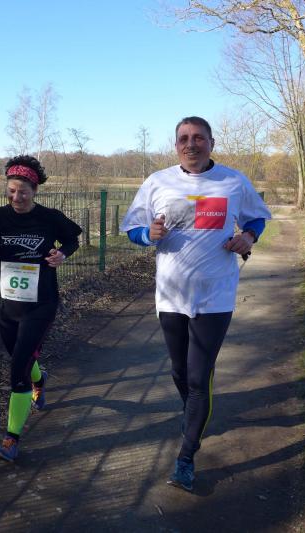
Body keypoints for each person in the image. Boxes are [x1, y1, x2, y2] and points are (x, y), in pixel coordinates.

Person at [121, 116, 271, 491]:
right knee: (179, 371)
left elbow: (256, 218)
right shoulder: (158, 182)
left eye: (199, 138)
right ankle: (192, 414)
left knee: (198, 377)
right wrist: (147, 234)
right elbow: (133, 229)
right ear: (176, 146)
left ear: (211, 143)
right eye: (184, 138)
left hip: (215, 294)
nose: (191, 144)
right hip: (171, 294)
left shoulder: (233, 181)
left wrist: (249, 237)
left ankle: (186, 458)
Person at [0, 154, 82, 462]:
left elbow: (72, 239)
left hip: (40, 305)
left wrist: (62, 254)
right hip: (5, 307)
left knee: (18, 370)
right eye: (11, 191)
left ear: (35, 190)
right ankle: (40, 379)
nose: (16, 197)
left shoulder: (49, 218)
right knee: (20, 359)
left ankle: (11, 439)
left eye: (23, 192)